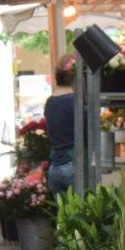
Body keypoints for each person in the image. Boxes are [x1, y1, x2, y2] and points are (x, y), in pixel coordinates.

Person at [43, 60, 76, 197]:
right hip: (73, 164)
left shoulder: (50, 102)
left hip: (55, 166)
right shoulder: (75, 101)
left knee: (63, 216)